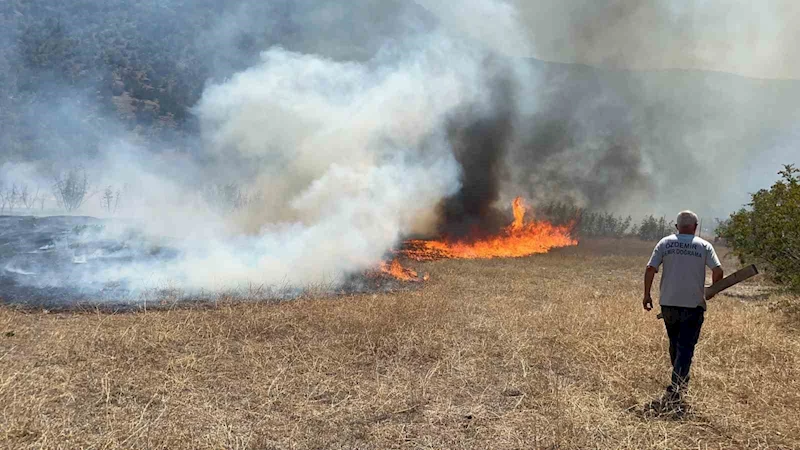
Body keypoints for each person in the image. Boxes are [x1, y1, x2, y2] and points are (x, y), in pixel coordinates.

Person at [643, 210, 723, 413]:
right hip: (693, 305)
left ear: (677, 227)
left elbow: (650, 268)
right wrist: (712, 291)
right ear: (695, 227)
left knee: (675, 343)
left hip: (668, 304)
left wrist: (647, 295)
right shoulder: (704, 246)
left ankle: (678, 378)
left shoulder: (665, 243)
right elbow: (718, 271)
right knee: (686, 347)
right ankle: (677, 388)